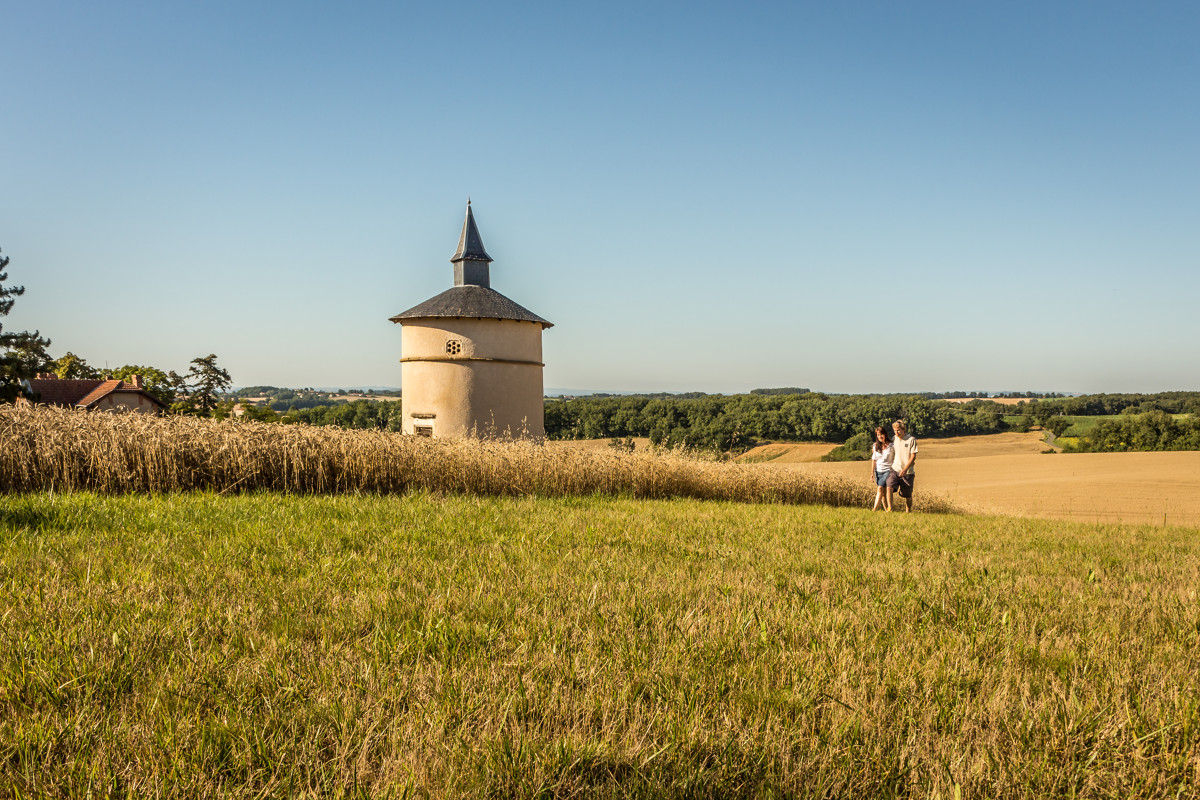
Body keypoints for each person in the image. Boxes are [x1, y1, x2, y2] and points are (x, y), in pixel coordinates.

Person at [887, 419, 918, 511]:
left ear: (904, 430)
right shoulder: (894, 439)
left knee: (907, 495)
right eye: (895, 430)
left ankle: (908, 511)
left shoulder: (911, 440)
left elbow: (913, 456)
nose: (896, 432)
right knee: (889, 487)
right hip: (895, 469)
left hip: (908, 472)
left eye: (898, 430)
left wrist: (905, 469)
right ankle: (890, 509)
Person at [869, 426, 894, 511]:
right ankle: (887, 510)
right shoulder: (875, 446)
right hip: (878, 471)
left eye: (881, 434)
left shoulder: (891, 445)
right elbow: (874, 460)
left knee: (880, 488)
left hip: (888, 470)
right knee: (883, 493)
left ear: (885, 434)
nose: (880, 436)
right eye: (878, 435)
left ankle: (874, 509)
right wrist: (872, 473)